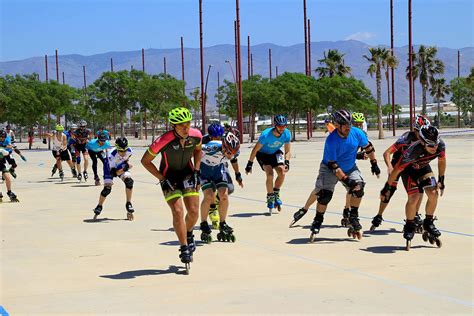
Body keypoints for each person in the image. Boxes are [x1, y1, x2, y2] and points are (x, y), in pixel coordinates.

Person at [290, 109, 380, 241]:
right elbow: (334, 167)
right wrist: (347, 181)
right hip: (329, 168)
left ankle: (353, 216)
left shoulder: (357, 133)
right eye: (346, 125)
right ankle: (318, 219)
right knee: (325, 195)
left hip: (349, 167)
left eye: (350, 124)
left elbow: (369, 148)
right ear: (337, 125)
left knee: (359, 188)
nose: (349, 128)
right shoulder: (331, 140)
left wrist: (374, 163)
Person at [141, 107, 202, 269]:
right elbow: (145, 161)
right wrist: (161, 178)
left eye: (188, 124)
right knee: (178, 211)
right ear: (173, 126)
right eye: (182, 125)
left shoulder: (196, 135)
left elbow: (198, 150)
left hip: (188, 174)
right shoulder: (163, 140)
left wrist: (197, 169)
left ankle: (188, 233)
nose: (186, 128)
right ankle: (184, 247)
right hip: (169, 177)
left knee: (194, 211)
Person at [382, 125, 445, 250]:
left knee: (434, 193)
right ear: (422, 142)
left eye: (436, 144)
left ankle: (428, 222)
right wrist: (387, 187)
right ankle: (410, 225)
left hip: (423, 168)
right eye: (430, 145)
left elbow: (442, 161)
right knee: (414, 197)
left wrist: (441, 180)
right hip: (408, 171)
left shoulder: (441, 145)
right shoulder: (411, 152)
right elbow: (396, 171)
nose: (435, 148)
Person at [370, 114, 431, 231]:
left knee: (420, 188)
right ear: (415, 130)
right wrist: (389, 167)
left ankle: (415, 214)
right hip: (398, 165)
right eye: (421, 132)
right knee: (389, 190)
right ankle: (379, 215)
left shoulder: (426, 140)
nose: (424, 135)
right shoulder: (407, 138)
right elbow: (387, 153)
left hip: (412, 166)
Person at [199, 127, 243, 243]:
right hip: (204, 171)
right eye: (228, 152)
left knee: (224, 196)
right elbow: (194, 152)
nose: (230, 155)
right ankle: (203, 223)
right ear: (223, 146)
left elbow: (234, 161)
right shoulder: (211, 147)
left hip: (218, 170)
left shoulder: (234, 150)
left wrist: (238, 175)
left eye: (232, 153)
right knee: (208, 196)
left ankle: (223, 223)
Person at [245, 114, 291, 215]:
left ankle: (276, 193)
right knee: (270, 174)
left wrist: (287, 162)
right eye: (280, 126)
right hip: (263, 154)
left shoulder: (287, 134)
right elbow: (255, 149)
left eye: (284, 126)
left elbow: (287, 151)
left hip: (275, 153)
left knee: (282, 172)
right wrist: (249, 164)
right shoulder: (265, 135)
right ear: (275, 125)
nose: (282, 129)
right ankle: (270, 196)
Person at [340, 112, 372, 227]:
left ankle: (347, 210)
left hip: (350, 165)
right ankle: (347, 210)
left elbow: (367, 148)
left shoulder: (361, 134)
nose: (358, 126)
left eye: (360, 124)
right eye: (356, 124)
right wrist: (359, 155)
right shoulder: (347, 133)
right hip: (339, 165)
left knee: (354, 188)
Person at [93, 137, 135, 220]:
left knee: (129, 182)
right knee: (107, 189)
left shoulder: (129, 151)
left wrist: (125, 165)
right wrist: (125, 168)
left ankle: (128, 203)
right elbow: (114, 173)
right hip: (109, 168)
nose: (123, 153)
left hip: (120, 164)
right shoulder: (111, 155)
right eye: (121, 151)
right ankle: (99, 205)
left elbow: (126, 158)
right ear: (117, 148)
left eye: (125, 150)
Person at [0, 129, 19, 202]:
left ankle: (9, 192)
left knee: (7, 177)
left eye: (3, 137)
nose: (1, 138)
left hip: (1, 162)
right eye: (0, 137)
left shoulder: (6, 141)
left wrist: (5, 148)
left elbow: (9, 148)